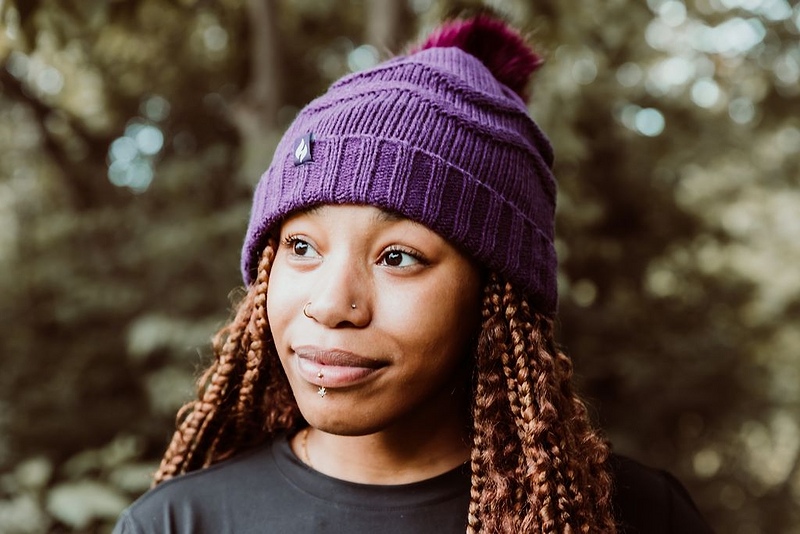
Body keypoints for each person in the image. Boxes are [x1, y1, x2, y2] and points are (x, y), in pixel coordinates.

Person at [112, 14, 714, 534]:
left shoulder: (632, 514)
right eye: (301, 246)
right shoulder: (175, 522)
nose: (330, 304)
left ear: (494, 295)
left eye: (397, 256)